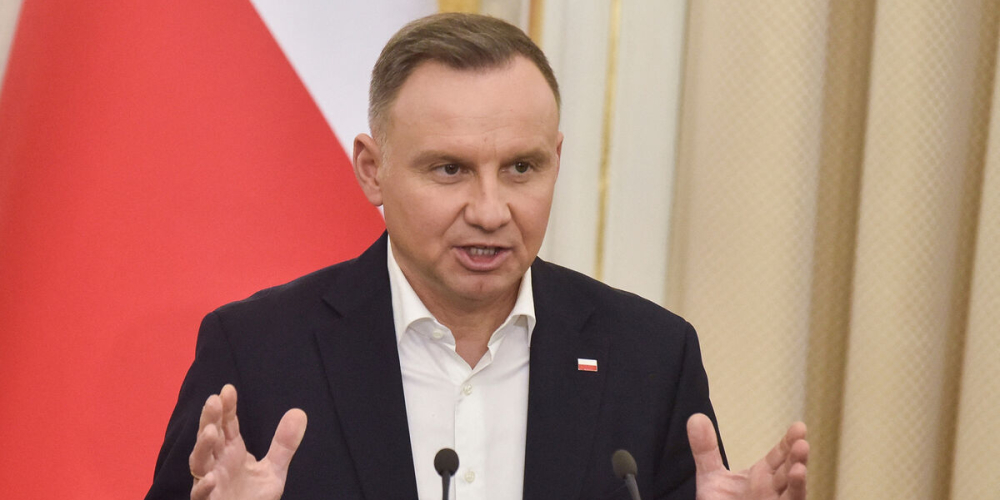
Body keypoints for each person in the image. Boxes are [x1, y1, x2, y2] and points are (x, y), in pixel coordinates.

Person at [146, 13, 809, 500]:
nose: (491, 211)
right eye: (450, 170)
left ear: (557, 159)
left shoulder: (650, 356)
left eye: (521, 167)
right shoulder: (257, 352)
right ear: (373, 170)